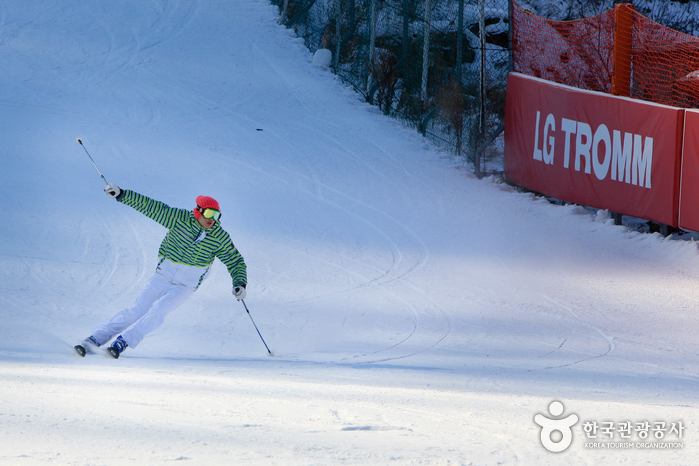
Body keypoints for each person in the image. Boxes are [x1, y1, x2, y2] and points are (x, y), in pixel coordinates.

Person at [75, 183, 247, 359]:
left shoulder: (219, 236)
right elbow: (152, 207)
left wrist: (239, 283)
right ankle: (94, 339)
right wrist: (122, 194)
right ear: (198, 211)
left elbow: (235, 261)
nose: (213, 219)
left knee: (159, 311)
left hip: (186, 285)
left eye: (217, 215)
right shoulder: (179, 219)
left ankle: (123, 342)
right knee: (137, 310)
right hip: (163, 275)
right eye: (209, 214)